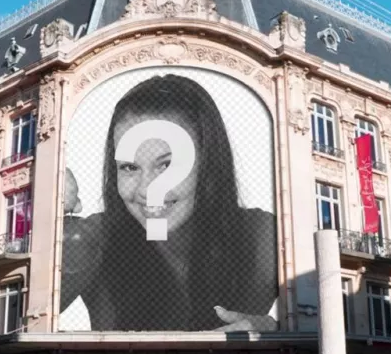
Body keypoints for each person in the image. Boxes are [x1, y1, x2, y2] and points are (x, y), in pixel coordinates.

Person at [60, 74, 278, 332]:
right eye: (130, 167)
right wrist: (38, 207)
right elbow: (11, 323)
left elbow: (332, 318)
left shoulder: (262, 237)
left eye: (167, 164)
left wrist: (281, 331)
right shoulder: (92, 238)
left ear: (208, 163)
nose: (147, 190)